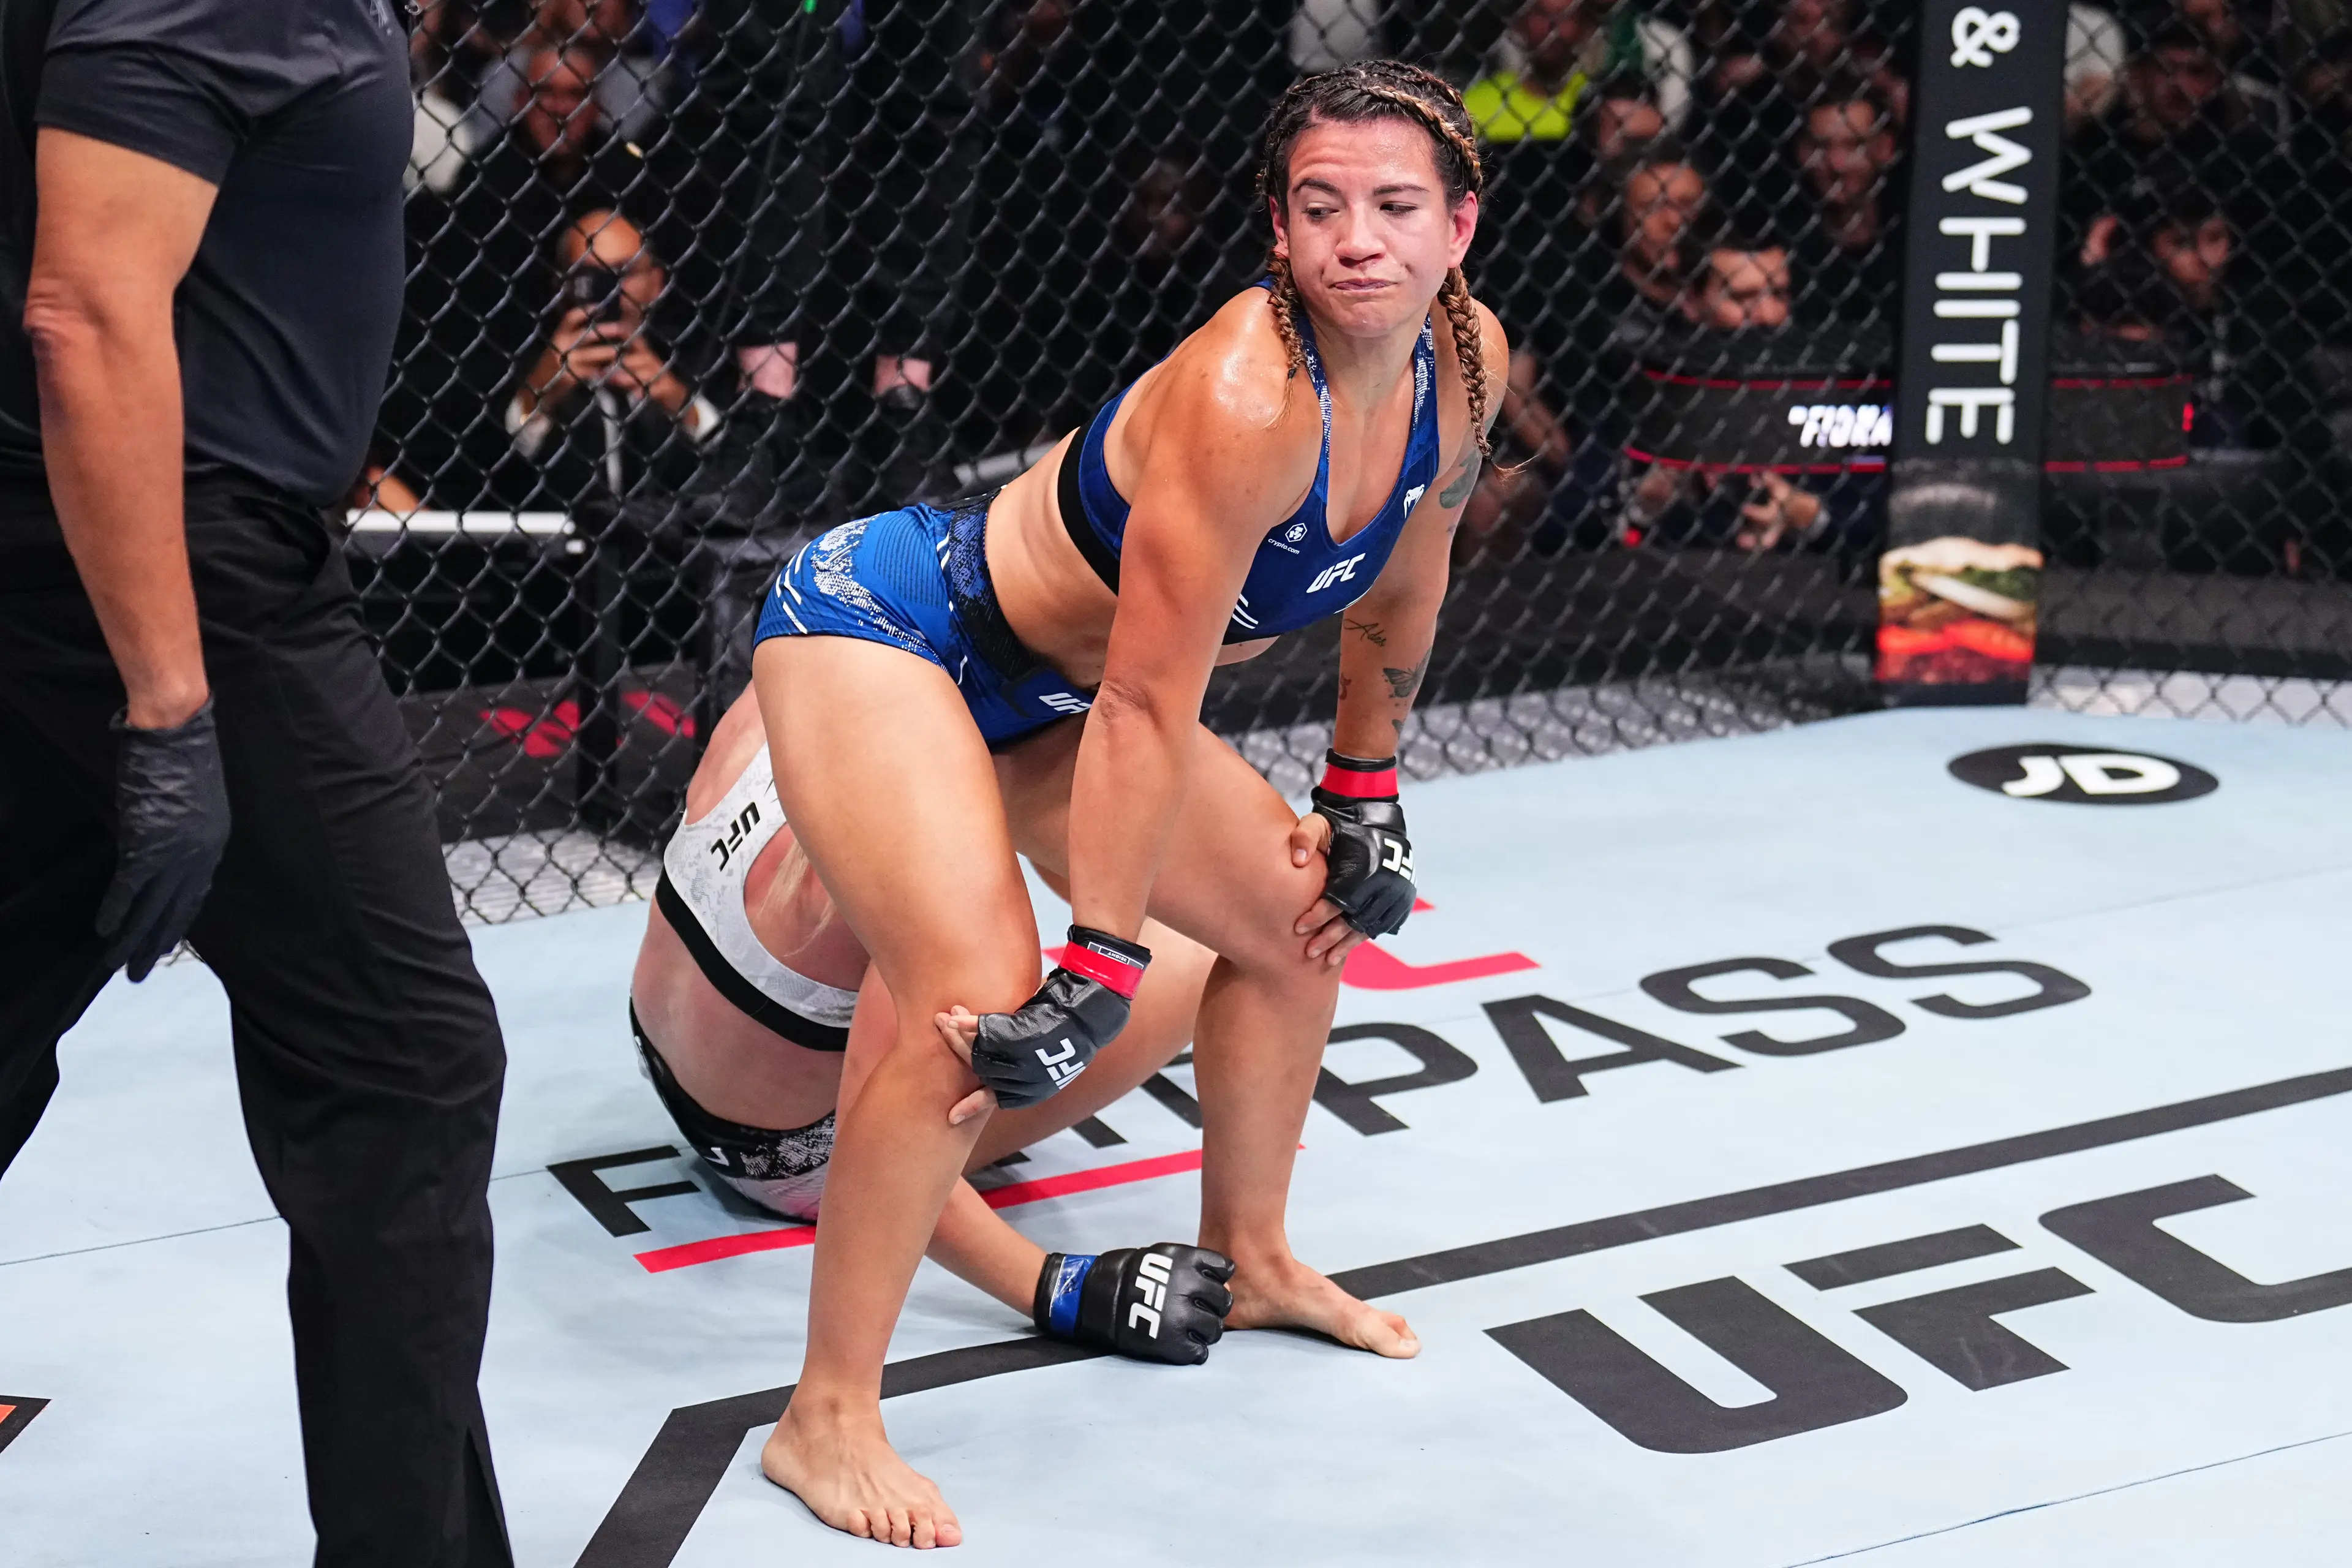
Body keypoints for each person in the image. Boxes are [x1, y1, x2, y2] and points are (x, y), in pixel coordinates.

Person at [746, 60, 1506, 1547]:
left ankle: (1255, 1252)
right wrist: (1098, 954)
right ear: (1277, 228)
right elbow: (1148, 705)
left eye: (1395, 206)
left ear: (1458, 225)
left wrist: (1364, 790)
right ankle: (823, 1412)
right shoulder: (1245, 398)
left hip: (1056, 695)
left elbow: (1407, 575)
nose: (1358, 239)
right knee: (982, 999)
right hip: (897, 632)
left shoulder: (1464, 360)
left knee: (1299, 914)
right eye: (1321, 206)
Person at [0, 1, 513, 1563]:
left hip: (76, 530)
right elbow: (87, 306)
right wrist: (170, 706)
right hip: (181, 561)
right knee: (403, 1067)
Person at [633, 687, 1232, 1354]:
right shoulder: (929, 836)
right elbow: (879, 1135)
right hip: (799, 1162)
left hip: (665, 1046)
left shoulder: (799, 661)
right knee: (1210, 946)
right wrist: (1058, 1288)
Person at [501, 210, 723, 507]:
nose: (610, 291)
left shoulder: (698, 359)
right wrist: (537, 398)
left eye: (623, 273)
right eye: (588, 275)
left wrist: (681, 405)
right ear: (562, 287)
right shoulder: (522, 366)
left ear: (657, 283)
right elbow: (497, 466)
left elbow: (737, 458)